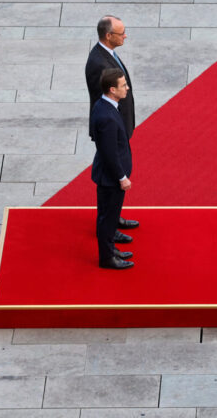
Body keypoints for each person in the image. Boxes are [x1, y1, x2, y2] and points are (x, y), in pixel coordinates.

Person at [85, 15, 139, 238]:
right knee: (112, 177)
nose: (125, 35)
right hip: (111, 129)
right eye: (121, 33)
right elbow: (105, 104)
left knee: (114, 173)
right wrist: (117, 131)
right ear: (108, 36)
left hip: (117, 125)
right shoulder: (99, 63)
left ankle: (113, 218)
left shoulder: (107, 55)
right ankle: (109, 227)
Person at [91, 68, 135, 269]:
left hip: (109, 176)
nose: (127, 88)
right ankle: (107, 257)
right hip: (111, 178)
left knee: (108, 215)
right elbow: (109, 152)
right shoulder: (107, 117)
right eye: (123, 85)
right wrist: (122, 177)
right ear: (112, 90)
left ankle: (111, 248)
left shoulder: (106, 105)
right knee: (107, 218)